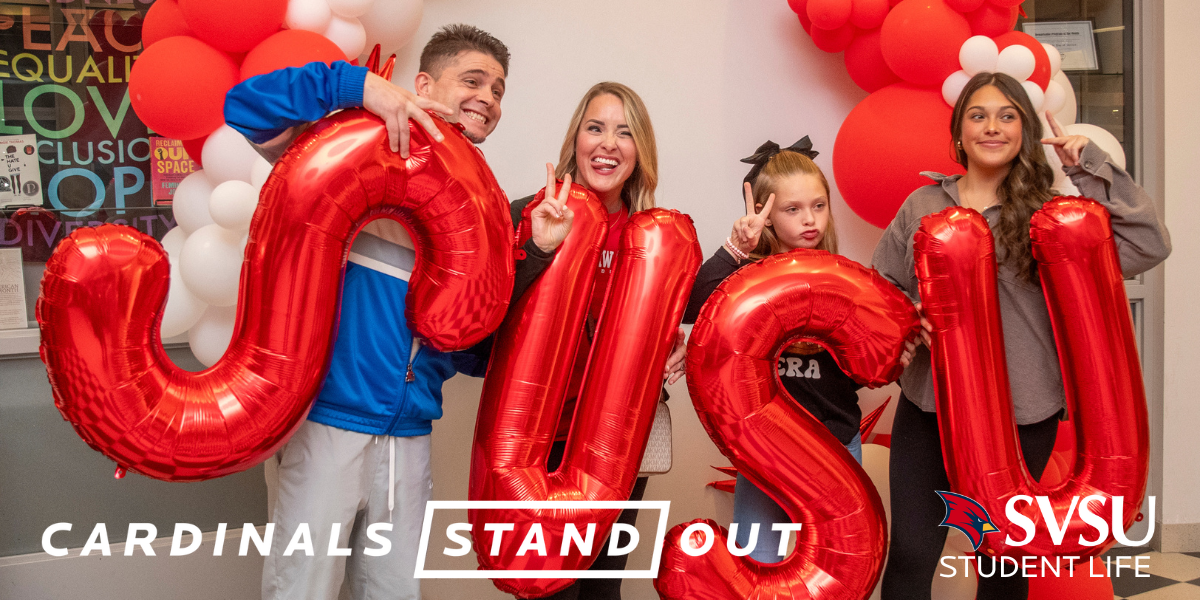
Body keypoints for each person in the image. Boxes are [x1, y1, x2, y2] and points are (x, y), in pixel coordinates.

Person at [223, 24, 573, 600]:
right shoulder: (348, 150)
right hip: (328, 426)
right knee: (301, 588)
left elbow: (472, 354)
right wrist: (359, 87)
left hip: (409, 438)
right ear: (424, 85)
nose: (488, 98)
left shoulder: (482, 213)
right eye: (473, 81)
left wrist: (533, 253)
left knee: (395, 591)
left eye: (498, 90)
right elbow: (245, 106)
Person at [871, 72, 1170, 600]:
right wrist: (905, 317)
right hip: (930, 407)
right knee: (913, 555)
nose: (993, 127)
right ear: (959, 132)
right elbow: (881, 288)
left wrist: (1090, 166)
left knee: (1003, 563)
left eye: (1007, 116)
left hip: (1022, 413)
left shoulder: (1049, 214)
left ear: (1025, 131)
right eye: (978, 115)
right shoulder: (922, 204)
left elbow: (1149, 244)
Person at [506, 81, 684, 600]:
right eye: (596, 128)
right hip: (538, 439)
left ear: (640, 150)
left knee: (603, 586)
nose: (608, 144)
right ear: (576, 140)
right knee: (544, 586)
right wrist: (540, 249)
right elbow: (494, 312)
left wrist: (678, 340)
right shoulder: (529, 213)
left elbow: (661, 317)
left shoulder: (650, 234)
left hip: (617, 439)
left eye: (624, 133)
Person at [681, 137, 876, 564]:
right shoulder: (748, 279)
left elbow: (865, 368)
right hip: (766, 450)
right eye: (793, 209)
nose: (809, 219)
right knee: (756, 560)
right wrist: (735, 249)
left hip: (835, 445)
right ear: (766, 215)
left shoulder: (844, 280)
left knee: (836, 566)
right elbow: (694, 306)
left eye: (818, 206)